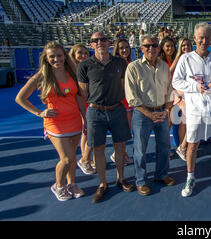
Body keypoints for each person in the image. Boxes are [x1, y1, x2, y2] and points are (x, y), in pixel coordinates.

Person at [15, 41, 86, 201]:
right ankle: (58, 186)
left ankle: (72, 184)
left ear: (65, 56)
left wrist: (85, 119)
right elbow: (20, 98)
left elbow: (79, 98)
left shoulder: (72, 71)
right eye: (52, 56)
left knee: (73, 157)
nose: (56, 59)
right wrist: (40, 112)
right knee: (66, 158)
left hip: (74, 120)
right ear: (46, 58)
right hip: (55, 123)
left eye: (59, 55)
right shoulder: (41, 76)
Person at [172, 22, 211, 197]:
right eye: (201, 38)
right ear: (195, 39)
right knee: (192, 145)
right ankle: (190, 177)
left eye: (207, 38)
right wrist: (195, 87)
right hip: (194, 109)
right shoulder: (185, 58)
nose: (204, 41)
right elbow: (176, 81)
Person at [78, 32, 134, 203]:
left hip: (117, 109)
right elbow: (83, 94)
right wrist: (84, 118)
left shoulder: (120, 63)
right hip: (95, 112)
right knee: (99, 150)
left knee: (120, 147)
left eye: (103, 39)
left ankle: (121, 178)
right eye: (96, 40)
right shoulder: (84, 66)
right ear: (91, 44)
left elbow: (126, 87)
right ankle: (103, 183)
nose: (100, 42)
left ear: (109, 42)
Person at [125, 35, 175, 196]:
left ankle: (161, 175)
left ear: (158, 48)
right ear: (141, 49)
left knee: (164, 146)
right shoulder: (133, 67)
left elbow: (169, 88)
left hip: (161, 112)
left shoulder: (164, 66)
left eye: (154, 45)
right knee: (140, 149)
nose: (151, 49)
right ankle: (141, 181)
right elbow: (131, 96)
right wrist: (149, 114)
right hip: (142, 114)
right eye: (147, 46)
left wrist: (166, 109)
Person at [69, 44, 96, 175]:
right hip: (78, 105)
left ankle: (87, 158)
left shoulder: (87, 67)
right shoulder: (69, 71)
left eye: (86, 53)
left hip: (88, 103)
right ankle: (84, 159)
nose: (83, 55)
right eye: (80, 53)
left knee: (86, 132)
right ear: (73, 55)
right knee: (89, 132)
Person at [112, 39, 134, 165]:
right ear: (117, 50)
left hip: (129, 101)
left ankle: (121, 153)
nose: (124, 50)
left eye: (126, 47)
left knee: (126, 130)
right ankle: (118, 154)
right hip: (120, 102)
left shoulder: (129, 63)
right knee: (121, 131)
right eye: (121, 48)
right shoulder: (114, 64)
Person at [173, 38, 194, 161]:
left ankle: (182, 147)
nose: (186, 47)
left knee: (187, 121)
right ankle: (182, 146)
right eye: (183, 45)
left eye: (188, 45)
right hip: (181, 94)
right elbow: (174, 78)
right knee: (187, 121)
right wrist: (177, 93)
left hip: (191, 93)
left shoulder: (194, 58)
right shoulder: (179, 59)